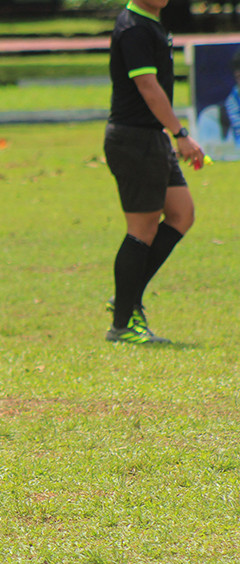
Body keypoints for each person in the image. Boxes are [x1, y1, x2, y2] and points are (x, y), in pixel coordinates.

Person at [103, 0, 205, 344]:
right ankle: (122, 325)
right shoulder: (133, 27)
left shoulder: (153, 23)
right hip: (134, 139)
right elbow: (148, 87)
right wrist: (181, 133)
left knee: (182, 213)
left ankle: (127, 295)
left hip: (152, 137)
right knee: (142, 230)